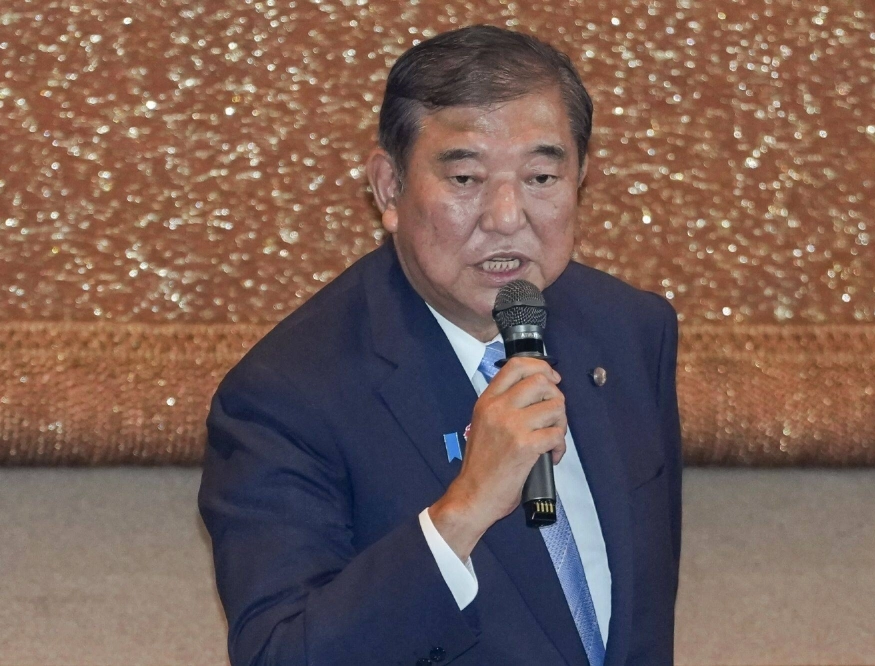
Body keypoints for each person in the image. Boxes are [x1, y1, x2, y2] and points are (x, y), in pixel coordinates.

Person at [198, 24, 682, 666]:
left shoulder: (630, 329)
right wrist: (463, 511)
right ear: (389, 189)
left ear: (581, 180)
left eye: (541, 176)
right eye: (465, 180)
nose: (508, 216)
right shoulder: (284, 398)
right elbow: (282, 653)